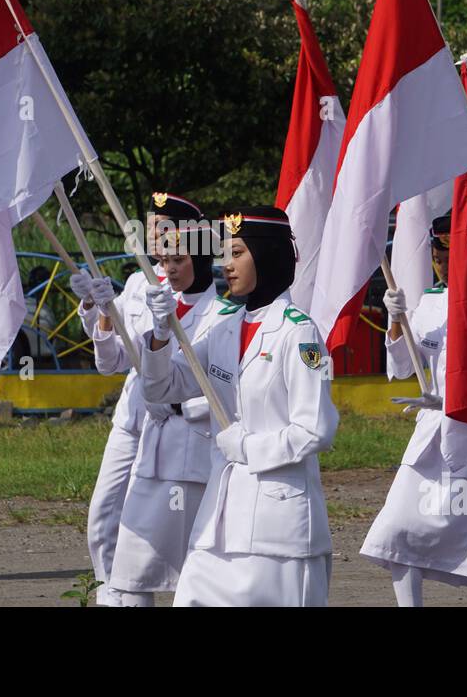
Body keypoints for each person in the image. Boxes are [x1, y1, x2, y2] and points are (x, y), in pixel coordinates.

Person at [141, 206, 337, 606]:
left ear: (267, 256)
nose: (226, 265)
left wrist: (246, 447)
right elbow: (161, 387)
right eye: (225, 254)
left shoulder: (300, 334)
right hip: (220, 518)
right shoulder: (226, 328)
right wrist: (161, 334)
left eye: (238, 253)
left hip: (277, 525)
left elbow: (316, 429)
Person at [361, 213, 467, 607]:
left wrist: (452, 399)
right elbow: (402, 367)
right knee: (398, 528)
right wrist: (396, 321)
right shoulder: (430, 302)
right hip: (431, 435)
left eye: (449, 253)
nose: (442, 262)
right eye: (437, 253)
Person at [76, 220, 221, 606]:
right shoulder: (147, 293)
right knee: (127, 557)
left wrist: (185, 403)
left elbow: (221, 387)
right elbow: (114, 362)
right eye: (166, 258)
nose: (169, 267)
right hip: (147, 437)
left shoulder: (222, 313)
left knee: (196, 563)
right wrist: (103, 310)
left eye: (179, 259)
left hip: (193, 447)